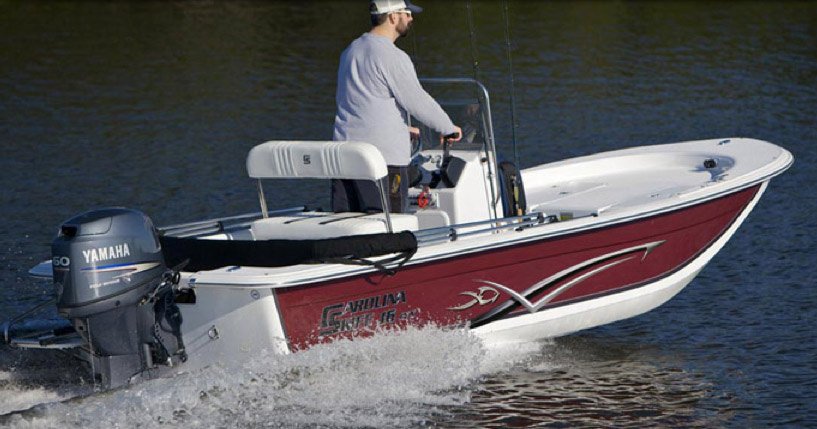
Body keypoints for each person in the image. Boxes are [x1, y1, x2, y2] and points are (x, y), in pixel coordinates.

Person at [332, 0, 462, 214]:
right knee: (388, 228)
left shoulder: (350, 51)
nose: (411, 18)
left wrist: (402, 129)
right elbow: (417, 101)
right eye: (407, 13)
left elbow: (359, 101)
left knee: (347, 226)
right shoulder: (392, 56)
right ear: (393, 17)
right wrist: (447, 127)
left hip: (344, 157)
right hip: (382, 162)